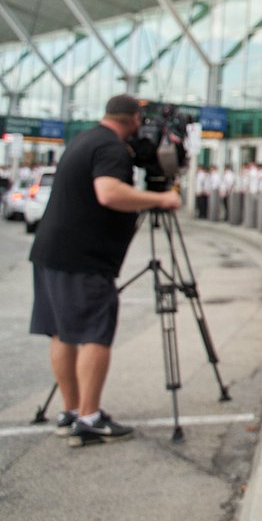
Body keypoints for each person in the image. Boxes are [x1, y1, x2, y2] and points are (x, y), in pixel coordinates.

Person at [28, 94, 183, 447]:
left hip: (52, 252)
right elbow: (109, 193)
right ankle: (90, 418)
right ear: (133, 120)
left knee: (63, 333)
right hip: (83, 258)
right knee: (95, 333)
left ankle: (71, 412)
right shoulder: (111, 148)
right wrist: (162, 198)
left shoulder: (84, 139)